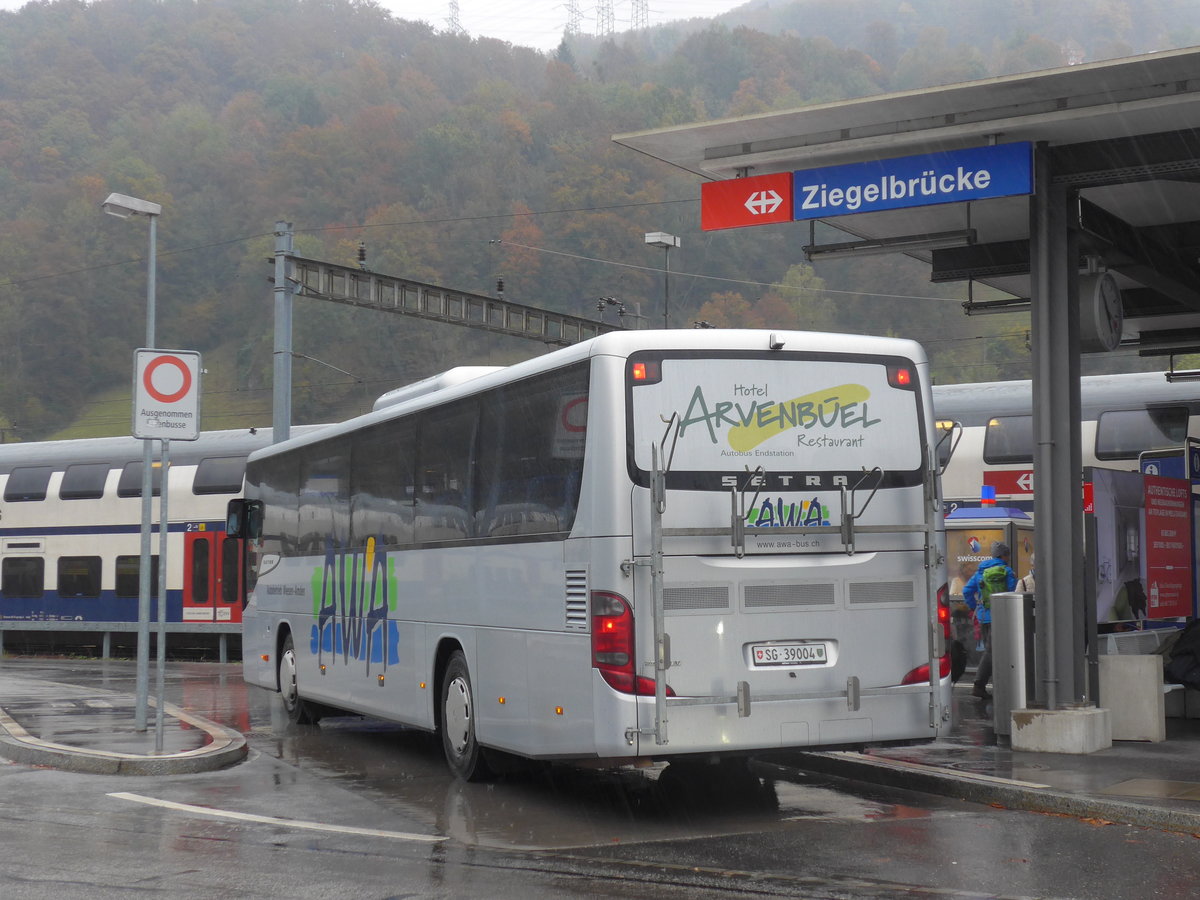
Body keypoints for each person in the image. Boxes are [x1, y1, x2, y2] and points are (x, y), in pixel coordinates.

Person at [962, 541, 1017, 700]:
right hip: (1003, 616)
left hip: (985, 617)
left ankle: (995, 683)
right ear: (1004, 555)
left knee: (993, 649)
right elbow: (1012, 593)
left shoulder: (980, 571)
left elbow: (967, 591)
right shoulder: (1007, 571)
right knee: (993, 651)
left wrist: (976, 607)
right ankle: (979, 685)